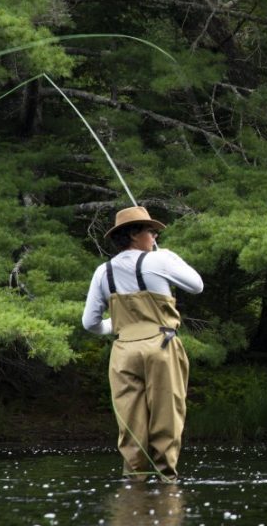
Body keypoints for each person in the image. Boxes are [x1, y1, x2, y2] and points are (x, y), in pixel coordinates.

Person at [82, 206, 203, 481]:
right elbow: (197, 285)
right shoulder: (160, 260)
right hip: (161, 347)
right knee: (166, 418)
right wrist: (168, 256)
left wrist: (120, 326)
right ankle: (166, 482)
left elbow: (90, 323)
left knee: (130, 422)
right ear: (135, 234)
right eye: (151, 231)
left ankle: (134, 483)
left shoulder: (103, 271)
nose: (155, 235)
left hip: (123, 351)